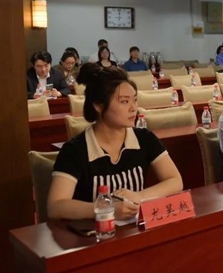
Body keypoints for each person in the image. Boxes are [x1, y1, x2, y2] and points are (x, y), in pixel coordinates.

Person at [47, 66, 183, 220]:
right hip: (94, 231)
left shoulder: (144, 138)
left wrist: (139, 196)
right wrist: (105, 208)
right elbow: (55, 206)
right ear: (98, 106)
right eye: (124, 102)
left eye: (135, 100)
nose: (134, 108)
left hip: (134, 228)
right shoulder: (75, 150)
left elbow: (175, 181)